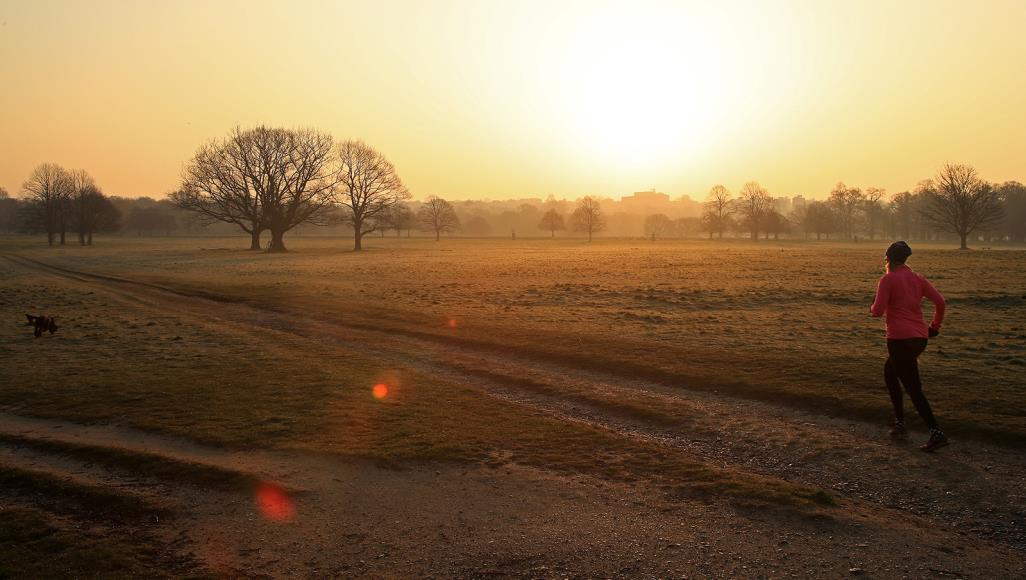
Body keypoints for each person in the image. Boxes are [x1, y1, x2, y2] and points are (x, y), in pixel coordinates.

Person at [869, 241, 949, 452]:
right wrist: (935, 326)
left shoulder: (888, 279)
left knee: (913, 388)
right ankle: (900, 423)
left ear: (888, 259)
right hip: (919, 337)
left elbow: (877, 311)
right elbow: (940, 302)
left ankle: (936, 432)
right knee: (890, 372)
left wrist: (872, 307)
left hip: (898, 339)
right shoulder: (918, 279)